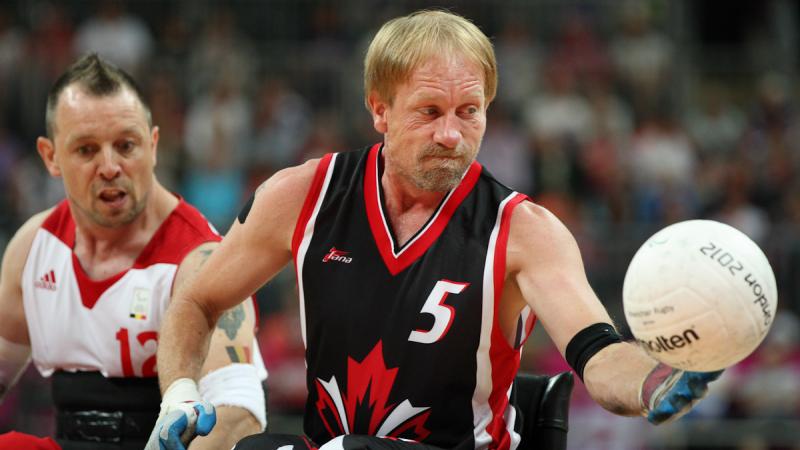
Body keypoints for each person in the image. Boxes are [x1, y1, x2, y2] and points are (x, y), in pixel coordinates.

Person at [149, 10, 720, 450]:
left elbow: (597, 352)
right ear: (380, 110)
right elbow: (198, 297)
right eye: (429, 111)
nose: (452, 134)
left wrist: (650, 383)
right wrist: (178, 389)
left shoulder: (524, 230)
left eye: (469, 111)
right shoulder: (304, 195)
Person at [0, 53, 267, 450]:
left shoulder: (202, 259)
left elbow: (239, 412)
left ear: (154, 145)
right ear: (50, 156)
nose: (110, 166)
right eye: (87, 150)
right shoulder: (33, 247)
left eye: (126, 145)